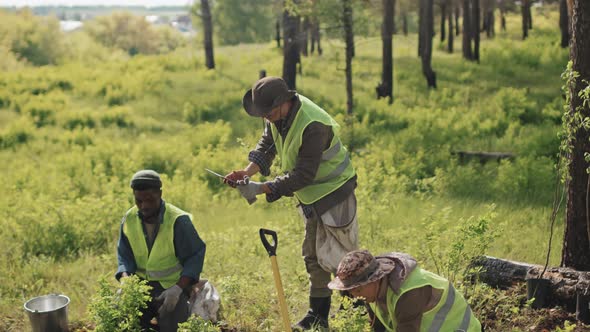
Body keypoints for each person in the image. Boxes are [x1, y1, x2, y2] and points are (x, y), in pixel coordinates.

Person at [225, 76, 359, 330]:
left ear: (285, 101)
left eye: (269, 112)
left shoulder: (312, 124)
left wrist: (262, 189)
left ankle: (356, 312)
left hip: (335, 192)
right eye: (262, 114)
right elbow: (268, 144)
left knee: (343, 257)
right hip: (310, 197)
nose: (266, 118)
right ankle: (317, 314)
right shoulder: (277, 117)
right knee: (313, 255)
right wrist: (247, 173)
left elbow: (303, 174)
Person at [116, 170, 206, 331]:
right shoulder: (129, 218)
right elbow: (124, 255)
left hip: (171, 288)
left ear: (160, 194)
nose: (144, 206)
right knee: (123, 321)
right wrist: (125, 282)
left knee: (173, 327)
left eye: (150, 200)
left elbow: (195, 256)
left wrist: (178, 289)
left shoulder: (178, 221)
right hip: (140, 288)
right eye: (139, 201)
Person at [328, 250, 482, 332]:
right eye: (351, 291)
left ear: (374, 279)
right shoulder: (374, 292)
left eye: (358, 289)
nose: (355, 295)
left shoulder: (408, 293)